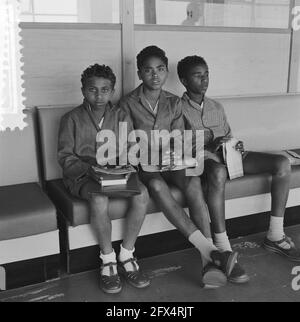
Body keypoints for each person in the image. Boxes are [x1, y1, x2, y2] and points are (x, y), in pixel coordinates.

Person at [119, 45, 238, 289]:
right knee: (157, 186)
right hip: (145, 166)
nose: (155, 75)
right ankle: (209, 254)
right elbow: (128, 145)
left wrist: (174, 155)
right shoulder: (127, 103)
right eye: (149, 70)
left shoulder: (173, 102)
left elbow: (179, 139)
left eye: (160, 69)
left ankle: (211, 259)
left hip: (170, 161)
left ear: (166, 72)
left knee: (193, 180)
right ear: (140, 74)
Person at [177, 55, 300, 279]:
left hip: (228, 156)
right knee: (218, 170)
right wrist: (211, 146)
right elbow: (180, 149)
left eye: (206, 74)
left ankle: (275, 235)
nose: (204, 80)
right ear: (184, 80)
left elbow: (229, 136)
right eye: (197, 75)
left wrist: (235, 144)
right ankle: (223, 247)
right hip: (204, 160)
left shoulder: (216, 106)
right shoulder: (178, 108)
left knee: (281, 163)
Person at [58, 64, 151, 294]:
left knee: (143, 195)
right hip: (83, 176)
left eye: (105, 90)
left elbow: (131, 148)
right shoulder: (70, 118)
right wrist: (90, 169)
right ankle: (108, 260)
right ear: (83, 90)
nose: (99, 96)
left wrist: (124, 167)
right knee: (99, 199)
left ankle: (127, 254)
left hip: (115, 174)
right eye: (92, 90)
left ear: (112, 91)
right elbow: (65, 156)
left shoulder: (121, 116)